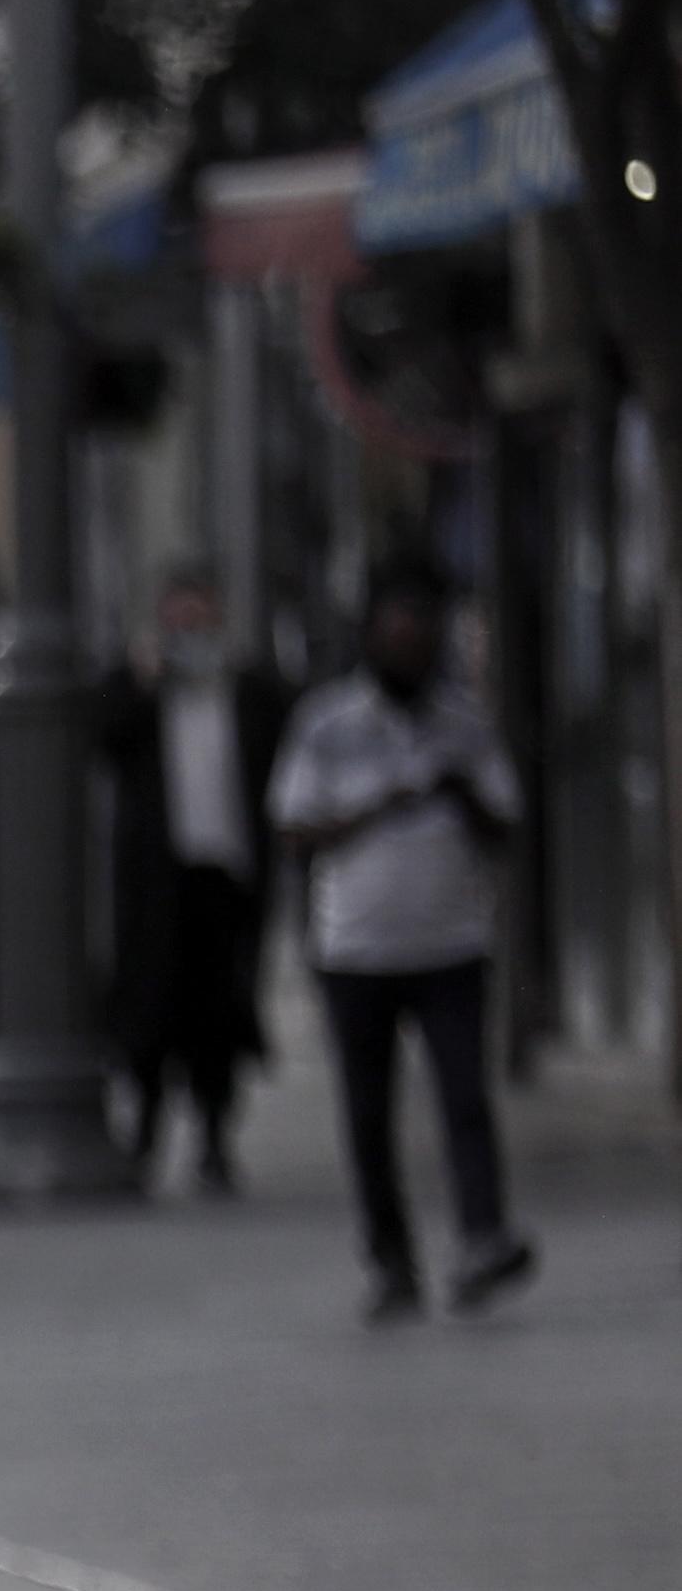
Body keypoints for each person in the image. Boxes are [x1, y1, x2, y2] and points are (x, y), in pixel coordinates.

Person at [268, 560, 533, 1320]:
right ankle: (391, 1260)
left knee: (465, 1099)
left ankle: (483, 1235)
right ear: (373, 642)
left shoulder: (463, 721)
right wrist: (380, 807)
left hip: (451, 945)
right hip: (356, 952)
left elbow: (504, 824)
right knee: (367, 1114)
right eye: (397, 636)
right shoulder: (326, 722)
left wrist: (459, 790)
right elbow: (292, 828)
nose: (410, 649)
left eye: (422, 638)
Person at [100, 568, 281, 1195]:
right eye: (179, 618)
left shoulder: (247, 690)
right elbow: (102, 733)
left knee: (219, 1016)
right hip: (157, 883)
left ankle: (213, 1138)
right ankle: (145, 1132)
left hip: (225, 876)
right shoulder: (139, 690)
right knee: (149, 1012)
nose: (190, 631)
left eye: (200, 617)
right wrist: (144, 679)